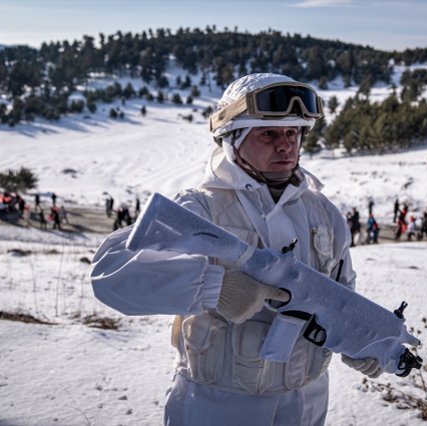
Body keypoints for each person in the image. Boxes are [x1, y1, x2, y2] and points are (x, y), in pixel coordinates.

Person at [90, 73, 380, 426]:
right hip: (219, 404)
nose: (286, 145)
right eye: (269, 133)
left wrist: (363, 339)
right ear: (233, 138)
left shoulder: (324, 213)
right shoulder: (201, 207)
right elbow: (110, 273)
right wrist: (214, 287)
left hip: (307, 400)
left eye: (293, 133)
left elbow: (340, 295)